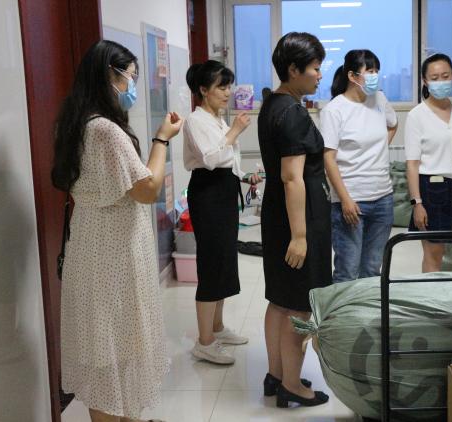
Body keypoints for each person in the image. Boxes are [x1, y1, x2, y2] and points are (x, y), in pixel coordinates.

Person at [52, 40, 182, 422]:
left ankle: (127, 416)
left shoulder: (73, 124)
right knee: (112, 349)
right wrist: (161, 140)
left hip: (94, 246)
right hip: (113, 257)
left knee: (110, 348)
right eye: (130, 78)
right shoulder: (105, 131)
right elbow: (147, 189)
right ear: (109, 74)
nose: (132, 88)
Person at [257, 32, 331, 408]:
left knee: (279, 300)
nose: (320, 74)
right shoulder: (292, 113)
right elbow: (292, 177)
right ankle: (291, 385)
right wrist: (300, 236)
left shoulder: (272, 104)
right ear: (293, 69)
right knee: (299, 305)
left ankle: (275, 375)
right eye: (315, 68)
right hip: (298, 219)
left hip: (277, 213)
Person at [183, 60, 261, 365]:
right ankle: (204, 342)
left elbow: (229, 159)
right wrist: (235, 131)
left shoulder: (216, 118)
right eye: (221, 87)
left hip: (224, 190)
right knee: (212, 263)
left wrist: (244, 177)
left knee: (225, 260)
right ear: (204, 90)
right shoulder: (195, 120)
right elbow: (211, 158)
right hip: (208, 194)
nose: (227, 92)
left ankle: (217, 328)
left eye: (229, 86)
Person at [320, 49, 398, 282]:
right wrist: (345, 200)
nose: (375, 76)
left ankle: (368, 307)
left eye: (377, 71)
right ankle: (342, 309)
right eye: (370, 71)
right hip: (351, 200)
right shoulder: (334, 110)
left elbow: (393, 124)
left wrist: (377, 150)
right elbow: (328, 158)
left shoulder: (379, 100)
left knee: (372, 269)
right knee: (347, 270)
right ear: (352, 76)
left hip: (383, 197)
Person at [404, 53, 452, 272]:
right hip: (433, 190)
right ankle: (433, 295)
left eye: (445, 76)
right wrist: (417, 203)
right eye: (435, 78)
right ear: (425, 81)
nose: (441, 81)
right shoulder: (416, 115)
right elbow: (412, 164)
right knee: (434, 255)